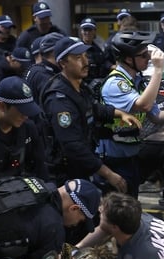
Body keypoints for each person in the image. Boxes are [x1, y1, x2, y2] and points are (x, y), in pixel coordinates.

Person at [97, 32, 164, 197]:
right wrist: (158, 70)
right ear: (129, 59)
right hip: (113, 159)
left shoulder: (136, 81)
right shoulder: (116, 83)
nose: (148, 59)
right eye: (143, 55)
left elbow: (155, 115)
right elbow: (144, 104)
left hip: (131, 156)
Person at [42, 37, 140, 188]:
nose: (85, 62)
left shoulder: (80, 87)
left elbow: (93, 108)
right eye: (77, 58)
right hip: (65, 173)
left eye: (85, 56)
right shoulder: (59, 100)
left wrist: (119, 113)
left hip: (83, 165)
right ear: (63, 63)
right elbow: (72, 146)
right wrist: (108, 174)